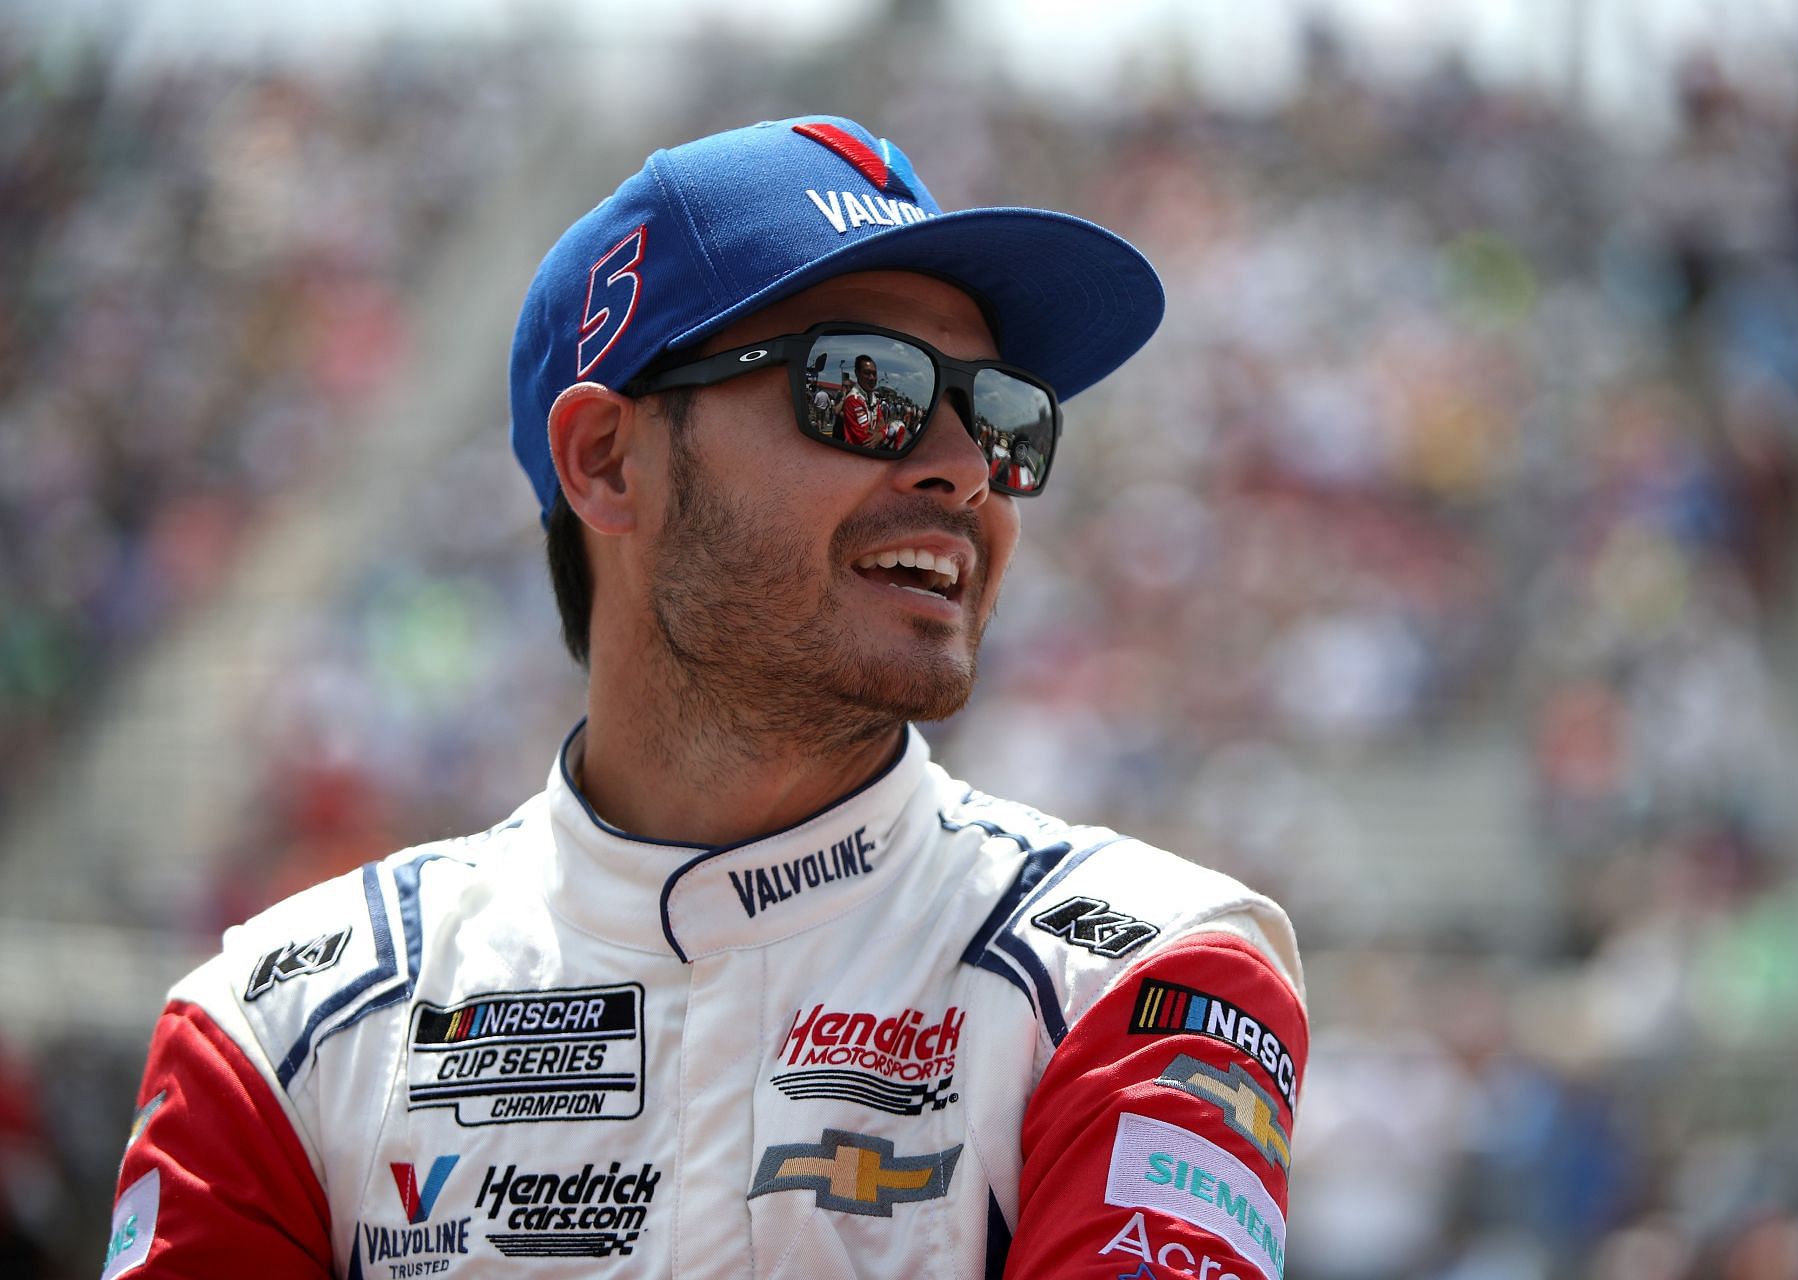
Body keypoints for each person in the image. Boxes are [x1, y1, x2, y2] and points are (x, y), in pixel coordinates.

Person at [106, 115, 1309, 1280]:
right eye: (866, 385)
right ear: (609, 461)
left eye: (1000, 417)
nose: (961, 469)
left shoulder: (1145, 970)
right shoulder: (277, 1030)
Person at [840, 352, 883, 446]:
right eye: (867, 373)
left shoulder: (874, 398)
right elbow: (865, 438)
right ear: (857, 373)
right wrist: (881, 433)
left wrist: (880, 434)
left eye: (874, 374)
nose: (872, 378)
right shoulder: (853, 399)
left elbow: (882, 423)